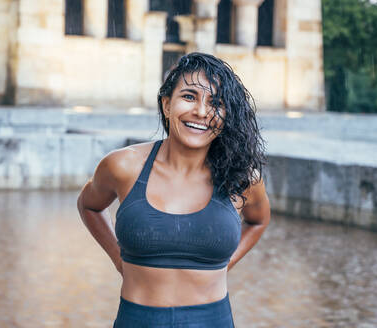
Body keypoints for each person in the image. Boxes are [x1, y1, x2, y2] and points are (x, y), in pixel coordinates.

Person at [77, 52, 270, 327]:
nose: (201, 112)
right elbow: (89, 205)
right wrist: (118, 258)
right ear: (167, 104)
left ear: (227, 115)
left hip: (212, 320)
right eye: (189, 97)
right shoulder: (123, 166)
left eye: (216, 103)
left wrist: (224, 265)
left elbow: (259, 220)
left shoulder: (241, 177)